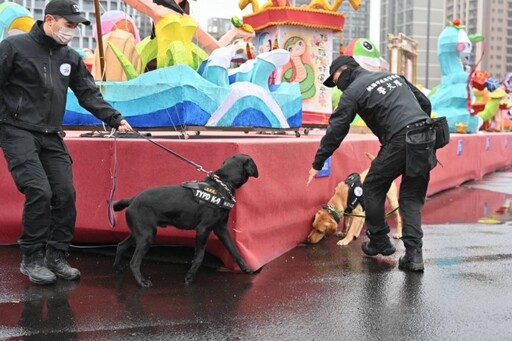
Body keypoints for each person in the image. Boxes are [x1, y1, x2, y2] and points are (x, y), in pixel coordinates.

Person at [0, 0, 133, 285]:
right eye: (68, 24)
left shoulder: (70, 57)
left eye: (75, 26)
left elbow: (88, 93)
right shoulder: (13, 48)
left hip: (51, 134)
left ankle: (56, 256)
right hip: (17, 131)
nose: (72, 30)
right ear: (49, 20)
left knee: (65, 194)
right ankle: (32, 259)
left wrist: (114, 118)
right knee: (39, 191)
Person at [307, 55, 435, 272]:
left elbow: (337, 129)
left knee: (371, 188)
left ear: (343, 72)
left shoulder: (352, 92)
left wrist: (318, 162)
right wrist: (418, 130)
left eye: (335, 80)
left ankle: (378, 239)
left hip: (399, 139)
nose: (337, 86)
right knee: (411, 198)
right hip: (425, 137)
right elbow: (425, 103)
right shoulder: (393, 77)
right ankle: (414, 256)